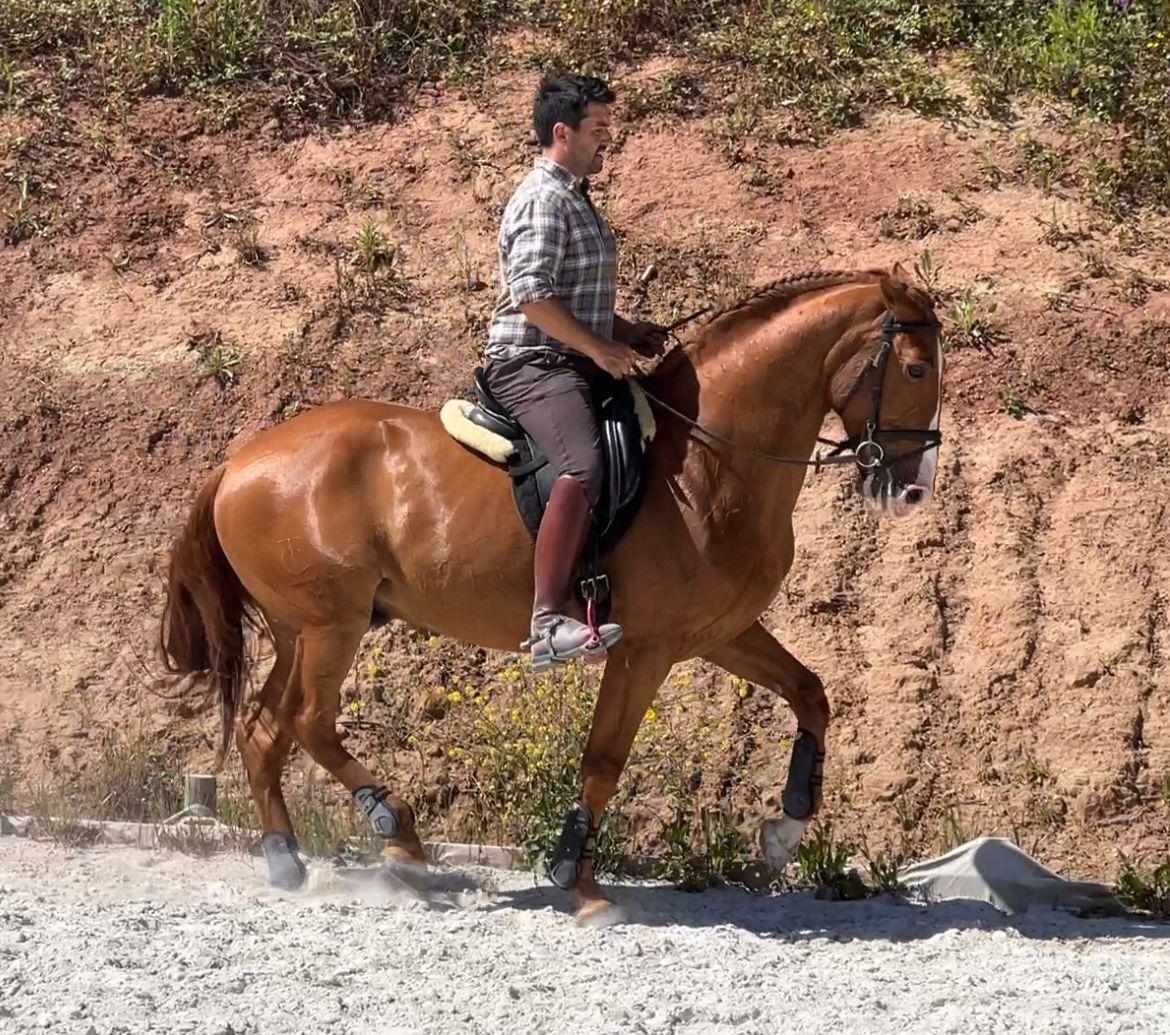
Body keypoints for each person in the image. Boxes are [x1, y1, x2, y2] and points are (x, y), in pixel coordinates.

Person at [482, 73, 668, 669]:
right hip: (532, 363)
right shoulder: (543, 198)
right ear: (562, 133)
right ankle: (546, 622)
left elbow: (572, 296)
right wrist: (598, 348)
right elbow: (533, 297)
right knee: (582, 463)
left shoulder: (575, 197)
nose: (607, 137)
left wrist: (624, 330)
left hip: (572, 356)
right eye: (598, 128)